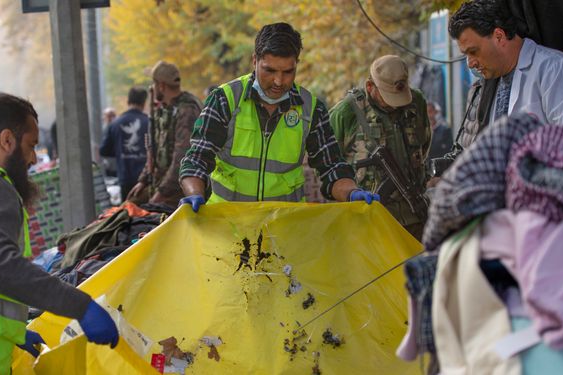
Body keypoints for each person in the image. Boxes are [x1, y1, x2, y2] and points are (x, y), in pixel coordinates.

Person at [0, 93, 118, 374]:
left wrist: (16, 334)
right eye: (30, 145)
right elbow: (0, 266)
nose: (33, 157)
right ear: (7, 140)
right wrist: (80, 306)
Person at [178, 22, 377, 211]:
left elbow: (331, 165)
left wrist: (351, 192)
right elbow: (197, 159)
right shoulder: (225, 100)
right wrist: (195, 193)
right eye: (270, 70)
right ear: (255, 60)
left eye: (288, 72)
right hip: (227, 225)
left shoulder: (311, 108)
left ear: (297, 64)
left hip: (284, 227)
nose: (279, 81)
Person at [330, 55, 431, 239]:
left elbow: (423, 148)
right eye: (388, 97)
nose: (396, 104)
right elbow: (327, 166)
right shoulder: (347, 112)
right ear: (370, 87)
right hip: (369, 224)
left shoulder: (416, 102)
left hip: (414, 218)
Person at [449, 0, 563, 127]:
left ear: (499, 36)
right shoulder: (493, 82)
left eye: (473, 51)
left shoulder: (554, 70)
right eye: (466, 54)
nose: (470, 64)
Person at [127, 61, 202, 209]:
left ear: (161, 86)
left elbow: (181, 159)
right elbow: (155, 151)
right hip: (163, 184)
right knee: (127, 207)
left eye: (153, 84)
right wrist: (143, 180)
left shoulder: (187, 110)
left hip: (180, 190)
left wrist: (161, 193)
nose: (152, 89)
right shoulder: (166, 110)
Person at [99, 86, 149, 199]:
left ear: (128, 101)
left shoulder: (115, 123)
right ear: (144, 102)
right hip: (147, 181)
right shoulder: (150, 122)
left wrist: (119, 151)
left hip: (125, 178)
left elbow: (104, 150)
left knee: (128, 212)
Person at [101, 107, 118, 177]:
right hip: (109, 161)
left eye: (112, 116)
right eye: (107, 116)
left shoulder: (114, 127)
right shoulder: (105, 128)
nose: (110, 118)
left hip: (115, 161)